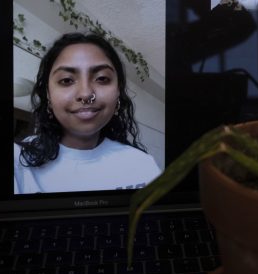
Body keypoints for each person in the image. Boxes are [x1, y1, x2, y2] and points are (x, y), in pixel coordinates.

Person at [14, 32, 160, 194]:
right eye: (67, 80)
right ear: (48, 94)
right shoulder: (16, 160)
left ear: (118, 91)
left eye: (102, 78)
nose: (85, 94)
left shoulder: (143, 164)